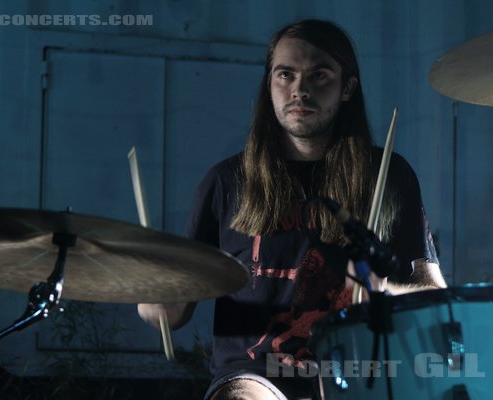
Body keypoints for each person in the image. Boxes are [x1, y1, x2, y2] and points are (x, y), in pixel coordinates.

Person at [138, 19, 446, 399]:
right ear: (270, 85)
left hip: (359, 369)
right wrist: (157, 305)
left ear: (347, 87)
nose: (299, 89)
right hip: (256, 375)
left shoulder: (390, 174)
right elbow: (176, 308)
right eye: (286, 74)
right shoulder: (225, 181)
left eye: (319, 75)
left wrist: (385, 290)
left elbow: (434, 291)